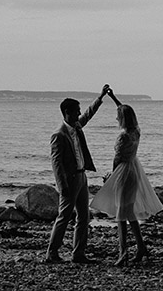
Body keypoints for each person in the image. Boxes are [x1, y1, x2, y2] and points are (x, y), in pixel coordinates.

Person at [89, 88, 163, 265]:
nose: (116, 119)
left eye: (118, 117)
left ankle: (123, 254)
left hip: (124, 172)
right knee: (129, 213)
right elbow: (124, 110)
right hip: (134, 170)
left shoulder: (123, 136)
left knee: (121, 215)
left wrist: (112, 177)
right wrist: (113, 97)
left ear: (122, 119)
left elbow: (117, 159)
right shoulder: (136, 131)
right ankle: (141, 248)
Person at [45, 85, 110, 264]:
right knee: (64, 216)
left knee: (84, 216)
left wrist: (101, 96)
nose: (79, 114)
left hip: (82, 177)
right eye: (76, 112)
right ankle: (52, 253)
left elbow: (89, 114)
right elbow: (56, 162)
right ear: (67, 112)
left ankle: (78, 254)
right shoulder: (59, 134)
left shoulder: (77, 126)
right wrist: (62, 185)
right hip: (70, 180)